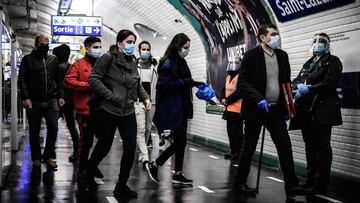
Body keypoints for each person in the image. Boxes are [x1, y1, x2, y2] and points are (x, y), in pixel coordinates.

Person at [232, 24, 311, 197]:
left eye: (277, 34)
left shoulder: (282, 56)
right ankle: (239, 183)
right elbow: (243, 82)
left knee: (284, 146)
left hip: (276, 110)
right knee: (249, 147)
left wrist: (288, 105)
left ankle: (291, 185)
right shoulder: (251, 56)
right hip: (255, 109)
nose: (277, 37)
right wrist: (258, 98)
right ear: (262, 38)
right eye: (273, 34)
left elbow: (286, 82)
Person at [83, 29, 151, 198]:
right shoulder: (108, 58)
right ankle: (87, 173)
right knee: (104, 146)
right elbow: (94, 78)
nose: (131, 45)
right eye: (128, 42)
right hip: (108, 110)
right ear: (119, 44)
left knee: (130, 147)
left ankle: (121, 185)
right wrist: (110, 96)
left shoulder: (133, 61)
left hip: (128, 111)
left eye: (133, 42)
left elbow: (137, 83)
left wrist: (145, 98)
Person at [290, 33, 343, 195]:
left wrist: (310, 88)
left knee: (322, 147)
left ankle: (321, 185)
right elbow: (296, 80)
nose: (317, 44)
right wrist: (298, 86)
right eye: (315, 42)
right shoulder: (309, 62)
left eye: (321, 42)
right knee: (309, 146)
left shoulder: (333, 61)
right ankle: (310, 180)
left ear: (327, 45)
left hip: (323, 110)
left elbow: (330, 83)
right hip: (306, 111)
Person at [148, 33, 203, 185]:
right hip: (173, 107)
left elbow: (182, 81)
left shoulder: (180, 61)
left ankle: (178, 173)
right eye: (185, 47)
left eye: (188, 48)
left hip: (181, 106)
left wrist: (195, 83)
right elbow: (164, 86)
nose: (187, 50)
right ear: (177, 46)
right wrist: (185, 82)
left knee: (181, 141)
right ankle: (155, 165)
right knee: (180, 141)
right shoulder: (169, 63)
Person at [18, 34, 65, 169]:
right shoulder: (28, 60)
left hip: (51, 100)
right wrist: (26, 97)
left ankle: (48, 156)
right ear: (36, 45)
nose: (45, 47)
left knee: (53, 127)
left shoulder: (53, 59)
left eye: (47, 44)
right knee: (34, 130)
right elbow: (23, 80)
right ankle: (36, 158)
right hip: (34, 101)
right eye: (42, 45)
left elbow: (58, 79)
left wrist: (60, 96)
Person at [63, 37, 103, 181]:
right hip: (85, 108)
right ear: (87, 48)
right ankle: (81, 169)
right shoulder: (79, 65)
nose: (98, 49)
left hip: (101, 109)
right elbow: (68, 81)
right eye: (95, 47)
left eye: (100, 47)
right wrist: (87, 86)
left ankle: (92, 164)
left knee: (104, 139)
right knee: (86, 141)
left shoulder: (102, 64)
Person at [53, 44, 79, 163]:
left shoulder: (56, 67)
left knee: (52, 126)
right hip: (71, 100)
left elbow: (56, 84)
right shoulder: (72, 67)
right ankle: (77, 152)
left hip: (58, 99)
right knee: (72, 126)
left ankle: (50, 153)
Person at [135, 41, 158, 168]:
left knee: (148, 128)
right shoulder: (134, 65)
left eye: (147, 49)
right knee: (141, 129)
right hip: (138, 102)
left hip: (152, 101)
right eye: (143, 49)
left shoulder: (154, 66)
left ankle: (141, 152)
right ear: (139, 50)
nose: (145, 51)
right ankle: (144, 156)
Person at [220, 56, 243, 161]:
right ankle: (233, 151)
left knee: (237, 133)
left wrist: (227, 100)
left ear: (240, 64)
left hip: (237, 110)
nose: (233, 64)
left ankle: (238, 153)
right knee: (230, 133)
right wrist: (222, 98)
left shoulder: (241, 76)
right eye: (231, 62)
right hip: (228, 110)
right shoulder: (228, 77)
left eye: (236, 62)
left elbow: (239, 92)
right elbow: (223, 90)